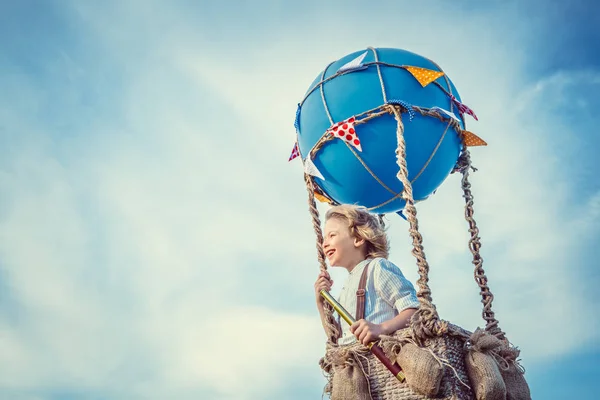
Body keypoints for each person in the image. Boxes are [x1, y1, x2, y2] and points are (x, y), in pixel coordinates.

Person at [314, 204, 420, 346]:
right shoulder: (346, 288)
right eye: (324, 239)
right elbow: (337, 338)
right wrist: (321, 303)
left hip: (383, 358)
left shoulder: (377, 268)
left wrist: (381, 328)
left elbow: (414, 311)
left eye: (332, 235)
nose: (324, 244)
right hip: (356, 364)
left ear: (358, 239)